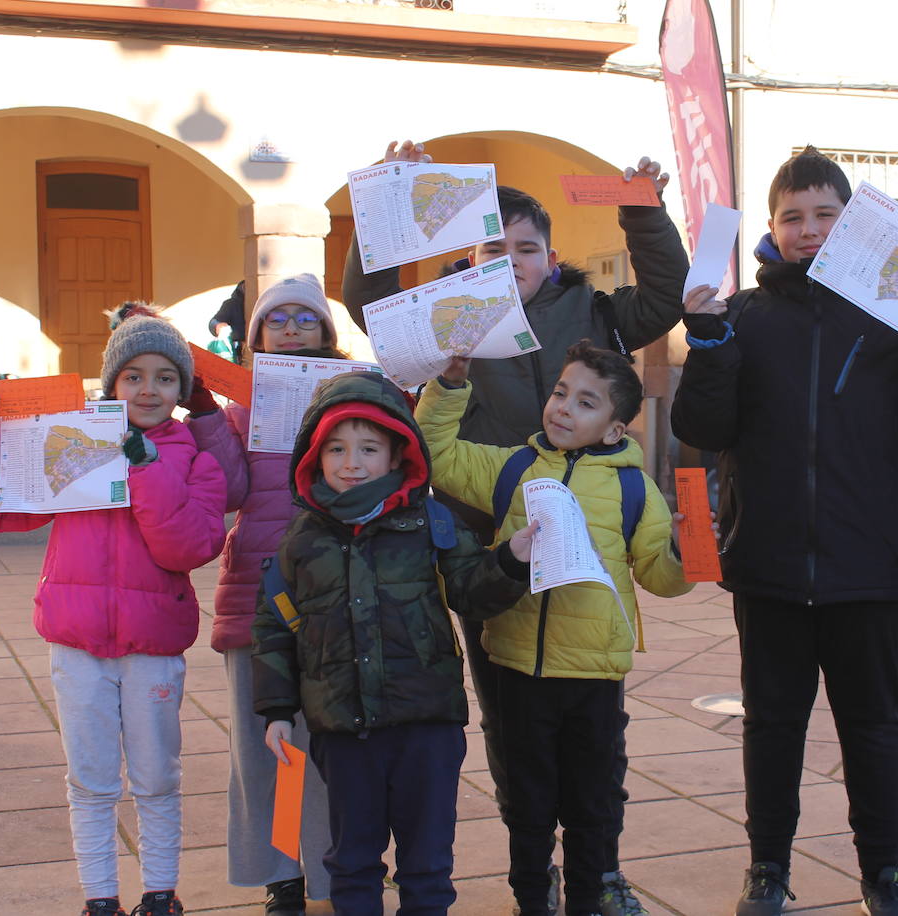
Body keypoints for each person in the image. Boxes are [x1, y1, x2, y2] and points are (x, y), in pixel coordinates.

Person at [343, 138, 690, 916]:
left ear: (550, 255)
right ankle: (533, 861)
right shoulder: (445, 314)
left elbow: (664, 295)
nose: (509, 261)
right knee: (510, 717)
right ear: (469, 259)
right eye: (491, 249)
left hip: (588, 541)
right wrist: (391, 200)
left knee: (596, 732)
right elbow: (365, 301)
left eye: (524, 249)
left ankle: (600, 869)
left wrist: (643, 213)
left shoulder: (590, 309)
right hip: (486, 541)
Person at [669, 147, 898, 916]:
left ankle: (883, 875)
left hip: (869, 562)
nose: (809, 229)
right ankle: (768, 870)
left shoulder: (896, 312)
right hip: (769, 563)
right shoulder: (743, 316)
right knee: (772, 728)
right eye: (793, 217)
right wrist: (706, 342)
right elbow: (701, 426)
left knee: (873, 729)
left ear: (852, 223)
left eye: (825, 215)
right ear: (772, 229)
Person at [0, 303, 227, 916]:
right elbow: (1, 506)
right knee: (91, 779)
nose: (148, 389)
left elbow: (189, 546)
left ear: (181, 388)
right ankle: (100, 897)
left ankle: (160, 892)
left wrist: (146, 470)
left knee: (156, 777)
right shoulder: (72, 442)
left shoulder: (195, 461)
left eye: (164, 376)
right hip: (76, 642)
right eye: (133, 376)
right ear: (112, 384)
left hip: (152, 646)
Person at [414, 340, 693, 916]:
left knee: (593, 804)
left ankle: (587, 900)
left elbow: (662, 579)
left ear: (615, 429)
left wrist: (688, 551)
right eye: (561, 392)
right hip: (517, 665)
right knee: (527, 804)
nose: (563, 407)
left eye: (586, 402)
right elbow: (433, 453)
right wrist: (448, 387)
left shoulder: (633, 489)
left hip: (593, 675)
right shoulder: (512, 467)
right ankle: (533, 901)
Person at [250, 369, 536, 916]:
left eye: (367, 448)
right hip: (344, 731)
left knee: (427, 864)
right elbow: (274, 626)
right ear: (314, 454)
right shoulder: (303, 539)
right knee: (352, 862)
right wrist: (277, 710)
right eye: (335, 448)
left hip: (426, 726)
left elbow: (473, 592)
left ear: (397, 453)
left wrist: (510, 561)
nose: (351, 462)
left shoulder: (430, 520)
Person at [184, 273, 343, 916]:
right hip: (257, 593)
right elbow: (225, 492)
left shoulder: (349, 395)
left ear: (328, 334)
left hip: (337, 592)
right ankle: (283, 875)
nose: (292, 328)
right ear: (255, 339)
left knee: (334, 744)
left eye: (307, 319)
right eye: (279, 320)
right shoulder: (240, 411)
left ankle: (337, 870)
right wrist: (203, 417)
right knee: (267, 748)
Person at [208, 280, 248, 364]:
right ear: (243, 288)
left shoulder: (266, 304)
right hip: (238, 353)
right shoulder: (231, 304)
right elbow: (214, 322)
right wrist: (218, 326)